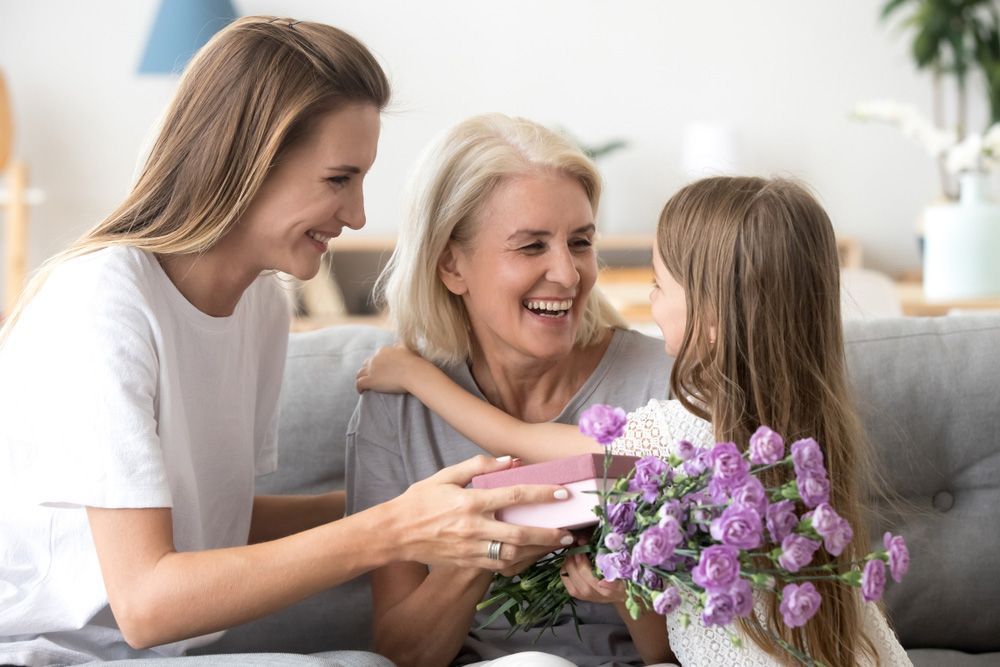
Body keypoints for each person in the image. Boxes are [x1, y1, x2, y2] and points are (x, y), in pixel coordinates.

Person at [0, 18, 577, 667]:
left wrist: (436, 504)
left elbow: (218, 522)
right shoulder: (102, 301)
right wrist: (395, 527)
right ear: (246, 160)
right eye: (338, 179)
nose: (358, 212)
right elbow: (146, 604)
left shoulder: (261, 305)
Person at [357, 176, 913, 666]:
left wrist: (416, 376)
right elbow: (667, 644)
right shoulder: (804, 442)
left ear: (712, 318)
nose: (648, 302)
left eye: (658, 284)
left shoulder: (684, 434)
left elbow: (522, 438)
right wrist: (626, 590)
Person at [346, 113, 674, 667]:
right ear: (451, 264)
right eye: (531, 247)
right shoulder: (397, 410)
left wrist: (630, 589)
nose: (568, 275)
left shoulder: (663, 386)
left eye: (580, 242)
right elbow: (400, 653)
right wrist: (481, 553)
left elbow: (705, 643)